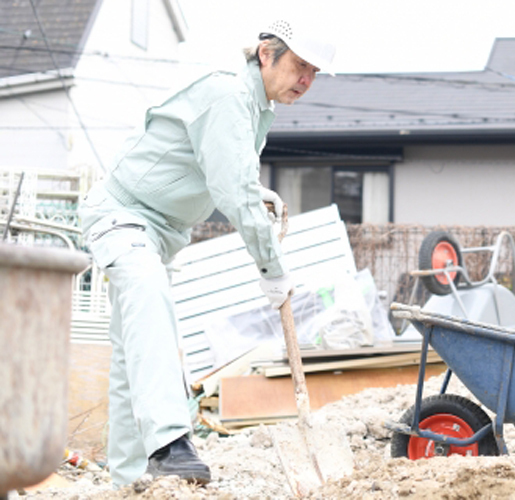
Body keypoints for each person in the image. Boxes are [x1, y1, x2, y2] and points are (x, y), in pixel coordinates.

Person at [79, 16, 335, 487]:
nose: (306, 79)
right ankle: (170, 445)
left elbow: (221, 167)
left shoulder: (256, 106)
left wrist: (255, 191)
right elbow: (229, 188)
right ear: (266, 54)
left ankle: (129, 479)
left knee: (130, 352)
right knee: (151, 300)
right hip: (124, 214)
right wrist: (272, 269)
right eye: (300, 65)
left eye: (315, 72)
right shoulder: (229, 96)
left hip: (159, 228)